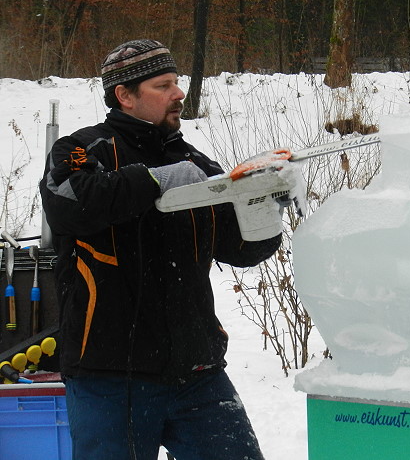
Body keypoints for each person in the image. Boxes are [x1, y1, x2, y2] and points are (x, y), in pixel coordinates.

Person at [40, 39, 280, 460]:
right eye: (164, 85)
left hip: (197, 372)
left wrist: (266, 203)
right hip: (110, 377)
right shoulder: (81, 148)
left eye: (177, 82)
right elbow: (70, 202)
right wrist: (155, 180)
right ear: (125, 96)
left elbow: (239, 248)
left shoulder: (195, 162)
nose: (179, 94)